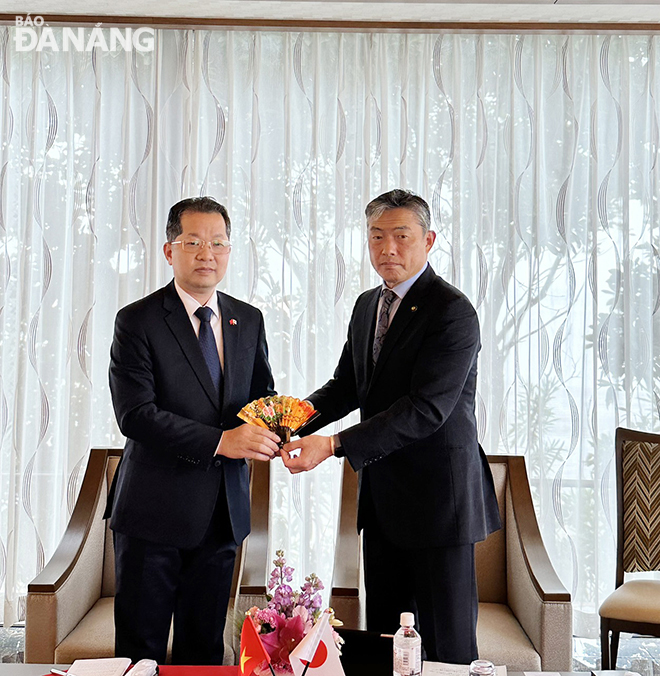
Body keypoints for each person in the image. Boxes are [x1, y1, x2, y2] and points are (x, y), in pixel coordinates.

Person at [281, 189, 501, 664]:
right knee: (388, 645)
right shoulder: (366, 306)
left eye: (402, 236)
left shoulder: (452, 311)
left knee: (446, 650)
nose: (388, 249)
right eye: (377, 236)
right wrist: (285, 422)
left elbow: (426, 409)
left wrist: (333, 445)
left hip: (440, 505)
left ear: (429, 240)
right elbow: (345, 386)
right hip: (382, 505)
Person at [106, 196, 280, 665]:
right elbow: (135, 414)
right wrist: (222, 441)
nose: (208, 253)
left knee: (202, 653)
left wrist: (276, 432)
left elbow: (261, 395)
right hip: (153, 514)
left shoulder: (248, 319)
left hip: (222, 514)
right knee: (139, 656)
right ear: (169, 250)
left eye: (219, 243)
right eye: (194, 242)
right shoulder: (138, 320)